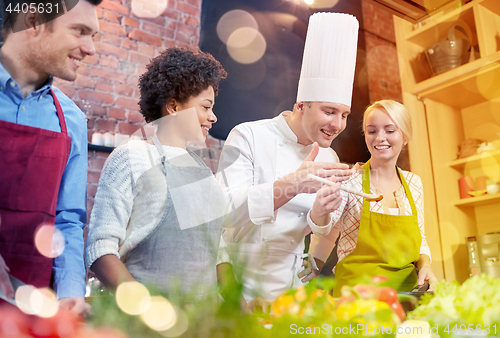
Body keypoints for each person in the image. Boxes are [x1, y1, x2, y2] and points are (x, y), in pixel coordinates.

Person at [216, 12, 359, 302]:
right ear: (301, 106)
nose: (337, 124)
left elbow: (319, 228)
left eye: (344, 115)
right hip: (242, 284)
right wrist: (291, 184)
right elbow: (224, 212)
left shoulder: (328, 157)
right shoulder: (248, 136)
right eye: (329, 111)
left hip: (292, 290)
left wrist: (321, 213)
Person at [85, 46, 230, 306]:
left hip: (204, 324)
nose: (213, 116)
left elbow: (215, 250)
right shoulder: (132, 157)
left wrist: (235, 306)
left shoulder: (204, 173)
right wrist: (149, 312)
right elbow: (100, 250)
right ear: (173, 107)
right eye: (206, 107)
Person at [0, 0, 100, 314]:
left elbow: (68, 220)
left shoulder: (70, 119)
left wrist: (71, 293)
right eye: (80, 32)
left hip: (32, 312)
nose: (90, 49)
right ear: (33, 21)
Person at [309, 100, 438, 297]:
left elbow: (421, 238)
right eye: (372, 131)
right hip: (356, 297)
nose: (380, 138)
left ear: (405, 136)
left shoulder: (414, 184)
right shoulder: (349, 180)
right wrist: (320, 209)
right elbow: (324, 230)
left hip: (406, 295)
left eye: (389, 130)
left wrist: (426, 266)